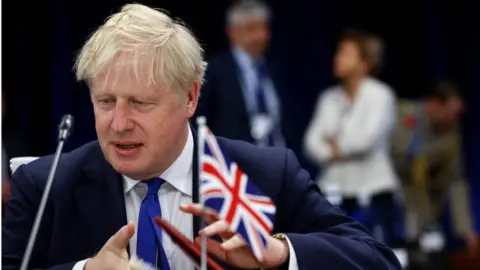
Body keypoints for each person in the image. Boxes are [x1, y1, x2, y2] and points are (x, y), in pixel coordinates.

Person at [2, 4, 402, 270]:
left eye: (140, 103)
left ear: (190, 97)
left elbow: (378, 259)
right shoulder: (45, 185)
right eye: (105, 101)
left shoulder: (264, 173)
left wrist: (278, 253)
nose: (118, 123)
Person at [304, 28, 400, 246]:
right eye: (338, 53)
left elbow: (365, 140)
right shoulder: (328, 98)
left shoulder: (381, 95)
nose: (337, 58)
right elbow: (311, 143)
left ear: (365, 63)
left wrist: (334, 144)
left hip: (375, 192)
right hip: (334, 191)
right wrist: (332, 150)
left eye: (346, 54)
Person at [390, 81, 478, 267]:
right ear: (434, 105)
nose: (454, 120)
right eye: (451, 113)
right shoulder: (401, 114)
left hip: (423, 210)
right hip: (390, 201)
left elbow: (455, 182)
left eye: (458, 115)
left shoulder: (451, 134)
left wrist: (465, 229)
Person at [194, 0, 289, 147]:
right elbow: (200, 120)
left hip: (275, 158)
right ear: (232, 32)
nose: (260, 36)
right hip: (234, 160)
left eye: (264, 28)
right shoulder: (214, 70)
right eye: (252, 29)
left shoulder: (274, 70)